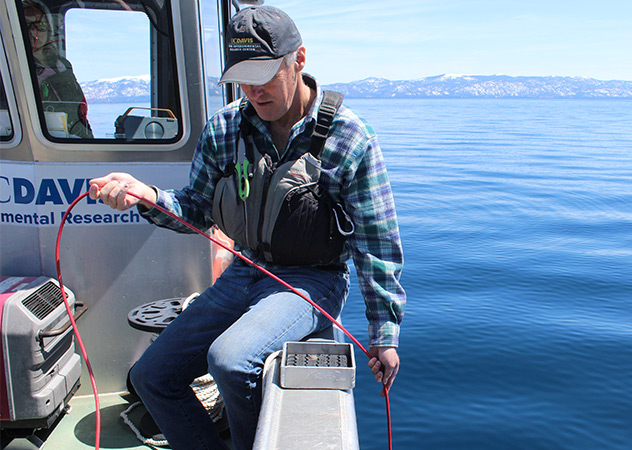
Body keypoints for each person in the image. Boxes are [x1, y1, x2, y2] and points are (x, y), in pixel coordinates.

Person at [89, 6, 404, 450]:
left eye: (265, 73)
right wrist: (146, 196)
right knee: (151, 377)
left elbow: (377, 245)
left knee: (231, 359)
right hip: (243, 271)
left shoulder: (350, 138)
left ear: (298, 60)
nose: (254, 89)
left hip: (314, 280)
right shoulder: (224, 129)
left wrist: (383, 336)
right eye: (243, 76)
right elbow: (194, 209)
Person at [22, 0, 93, 138]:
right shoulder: (14, 67)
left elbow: (78, 108)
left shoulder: (62, 66)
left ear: (49, 29)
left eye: (40, 25)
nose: (33, 32)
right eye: (27, 25)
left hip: (73, 137)